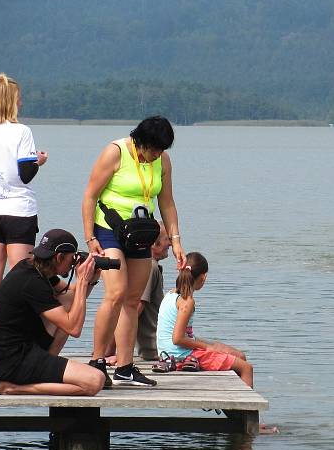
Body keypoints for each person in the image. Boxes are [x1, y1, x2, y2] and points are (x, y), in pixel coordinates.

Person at [82, 116, 186, 387]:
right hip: (108, 229)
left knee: (131, 299)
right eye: (153, 150)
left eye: (162, 150)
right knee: (115, 293)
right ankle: (97, 362)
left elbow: (167, 202)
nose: (157, 156)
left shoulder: (162, 161)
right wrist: (89, 236)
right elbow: (90, 195)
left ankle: (126, 367)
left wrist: (176, 241)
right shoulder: (115, 152)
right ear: (141, 142)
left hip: (139, 232)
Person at [0, 72, 49, 361]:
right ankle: (19, 338)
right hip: (19, 212)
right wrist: (38, 160)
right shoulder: (21, 132)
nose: (22, 101)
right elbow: (25, 175)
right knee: (22, 278)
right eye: (19, 98)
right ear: (10, 102)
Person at [0, 229, 105, 396]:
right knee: (94, 381)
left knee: (67, 304)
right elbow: (74, 328)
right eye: (71, 259)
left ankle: (45, 366)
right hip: (12, 363)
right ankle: (13, 387)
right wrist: (83, 280)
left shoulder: (34, 267)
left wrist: (91, 279)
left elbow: (71, 296)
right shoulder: (32, 283)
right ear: (59, 257)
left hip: (15, 352)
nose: (73, 264)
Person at [156, 252, 254, 387]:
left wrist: (211, 345)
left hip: (168, 352)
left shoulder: (171, 294)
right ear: (204, 277)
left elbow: (183, 335)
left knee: (240, 355)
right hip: (179, 356)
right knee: (246, 368)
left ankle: (232, 405)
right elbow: (177, 339)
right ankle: (243, 406)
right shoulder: (186, 302)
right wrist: (208, 347)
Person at [103, 222, 170, 365]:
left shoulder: (149, 267)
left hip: (158, 346)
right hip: (157, 349)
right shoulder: (150, 267)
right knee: (222, 351)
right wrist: (113, 351)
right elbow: (136, 307)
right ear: (154, 244)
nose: (170, 243)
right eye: (167, 239)